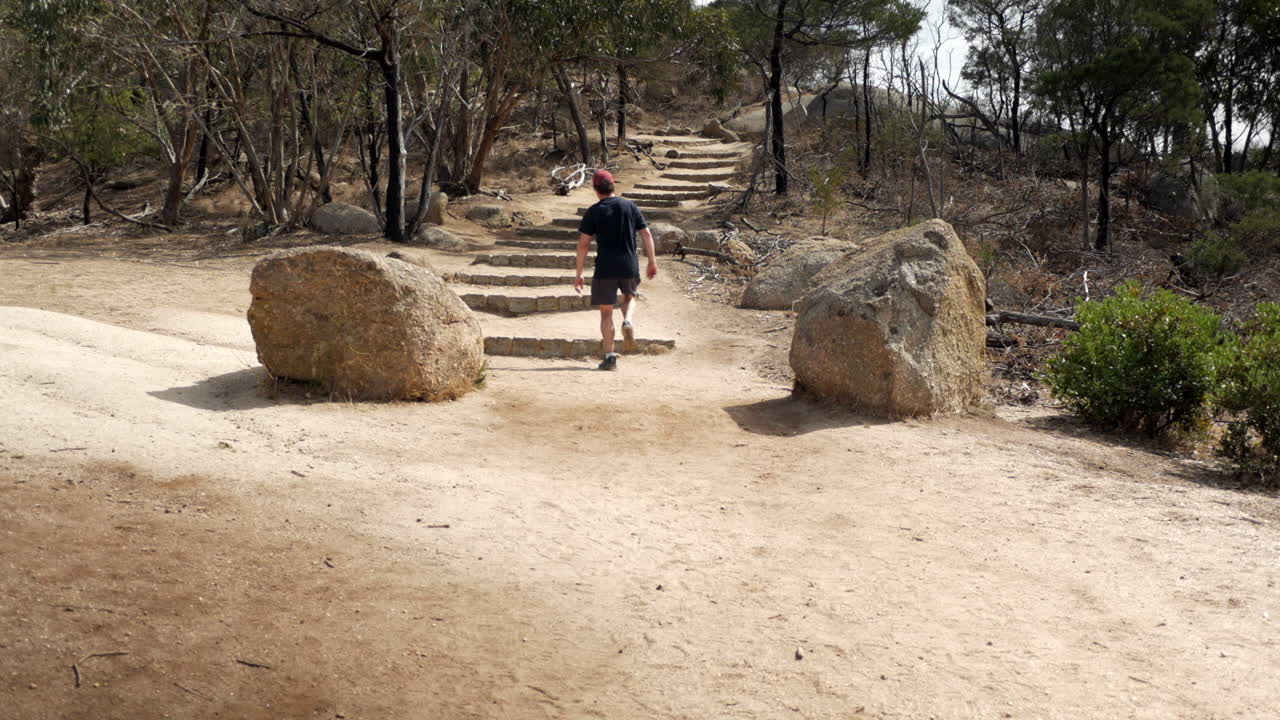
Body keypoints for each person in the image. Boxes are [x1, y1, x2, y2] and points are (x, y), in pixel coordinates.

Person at [575, 169, 658, 371]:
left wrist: (578, 273)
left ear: (596, 189)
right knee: (630, 297)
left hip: (605, 268)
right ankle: (628, 321)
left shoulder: (594, 211)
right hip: (629, 264)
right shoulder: (630, 206)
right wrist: (652, 262)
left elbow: (584, 244)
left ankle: (610, 357)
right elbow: (646, 234)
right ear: (613, 185)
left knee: (606, 313)